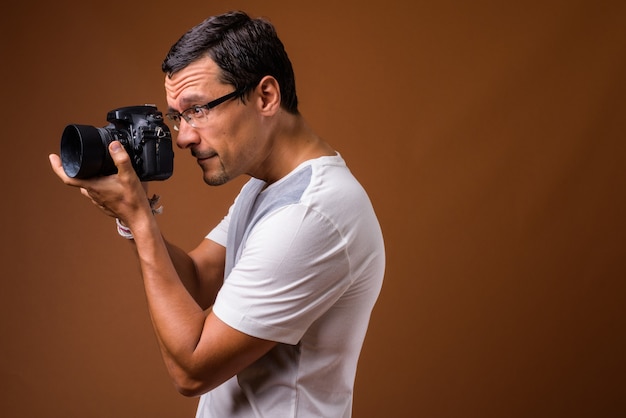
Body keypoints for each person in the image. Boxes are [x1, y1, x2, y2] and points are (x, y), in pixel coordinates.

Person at [49, 10, 385, 418]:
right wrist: (133, 220)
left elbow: (192, 370)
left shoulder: (311, 214)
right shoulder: (266, 188)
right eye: (177, 117)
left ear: (265, 97)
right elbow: (195, 281)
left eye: (198, 110)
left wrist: (139, 217)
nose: (185, 136)